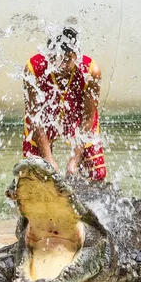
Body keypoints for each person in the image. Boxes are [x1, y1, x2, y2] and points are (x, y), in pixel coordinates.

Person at [22, 24, 106, 181]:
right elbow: (35, 117)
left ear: (76, 55)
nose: (61, 64)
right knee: (32, 177)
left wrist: (74, 160)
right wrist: (48, 159)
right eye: (56, 58)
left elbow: (88, 118)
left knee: (97, 175)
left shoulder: (90, 71)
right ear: (48, 54)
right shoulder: (33, 69)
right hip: (44, 119)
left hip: (77, 117)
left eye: (67, 59)